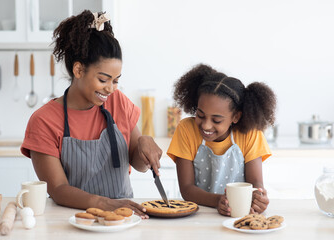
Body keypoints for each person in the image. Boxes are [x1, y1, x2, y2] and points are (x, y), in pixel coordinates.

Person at [20, 10, 162, 219]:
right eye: (103, 79)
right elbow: (58, 189)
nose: (110, 89)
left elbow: (138, 165)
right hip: (71, 220)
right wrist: (105, 204)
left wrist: (144, 143)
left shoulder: (118, 102)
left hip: (122, 219)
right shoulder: (44, 121)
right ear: (78, 70)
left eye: (115, 80)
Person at [167, 64, 276, 216]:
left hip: (238, 215)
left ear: (236, 117)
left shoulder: (251, 134)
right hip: (199, 215)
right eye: (200, 115)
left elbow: (256, 183)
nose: (206, 125)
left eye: (216, 120)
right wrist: (218, 201)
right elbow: (187, 189)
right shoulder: (186, 130)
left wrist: (259, 197)